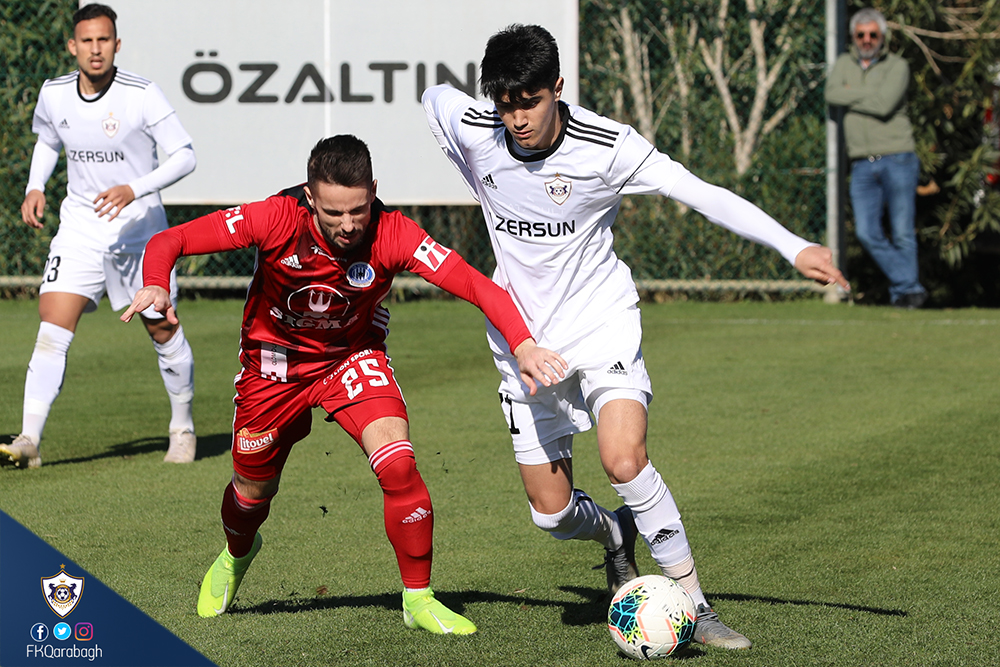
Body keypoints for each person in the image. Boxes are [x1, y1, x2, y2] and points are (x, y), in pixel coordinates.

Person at [423, 23, 850, 650]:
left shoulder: (607, 146)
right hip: (521, 344)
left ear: (558, 88)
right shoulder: (475, 128)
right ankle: (615, 534)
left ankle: (694, 604)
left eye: (530, 102)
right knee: (551, 514)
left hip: (601, 322)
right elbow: (434, 97)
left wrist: (793, 246)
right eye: (506, 104)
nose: (517, 119)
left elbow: (700, 193)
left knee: (623, 459)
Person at [120, 134, 566, 634]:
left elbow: (476, 284)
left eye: (358, 209)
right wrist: (156, 281)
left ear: (373, 190)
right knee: (250, 493)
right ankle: (236, 554)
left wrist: (523, 344)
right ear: (310, 197)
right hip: (273, 368)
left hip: (351, 358)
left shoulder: (394, 232)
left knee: (398, 462)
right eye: (334, 213)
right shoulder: (273, 217)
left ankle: (418, 599)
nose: (349, 225)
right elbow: (170, 240)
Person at [1, 3, 198, 469]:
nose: (95, 49)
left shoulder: (141, 94)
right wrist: (35, 186)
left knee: (163, 328)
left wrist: (134, 188)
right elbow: (48, 141)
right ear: (72, 46)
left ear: (117, 44)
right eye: (86, 40)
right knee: (52, 326)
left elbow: (185, 156)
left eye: (103, 40)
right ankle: (30, 439)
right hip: (81, 230)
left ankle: (182, 428)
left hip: (141, 235)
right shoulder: (54, 93)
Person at [825, 8, 927, 308]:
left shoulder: (897, 66)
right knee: (866, 232)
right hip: (861, 163)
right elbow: (831, 94)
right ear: (853, 37)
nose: (867, 40)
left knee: (902, 232)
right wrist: (868, 93)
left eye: (873, 34)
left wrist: (851, 92)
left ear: (882, 37)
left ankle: (905, 295)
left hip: (898, 158)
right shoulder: (843, 63)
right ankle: (910, 286)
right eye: (861, 35)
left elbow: (884, 104)